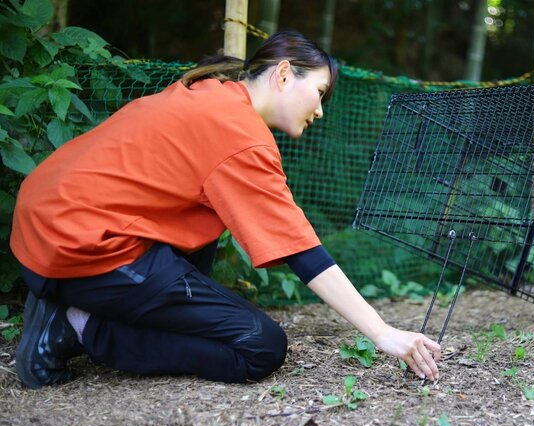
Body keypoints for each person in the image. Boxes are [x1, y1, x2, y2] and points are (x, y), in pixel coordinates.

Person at [11, 30, 441, 389]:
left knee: (202, 225)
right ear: (285, 74)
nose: (321, 110)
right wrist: (383, 333)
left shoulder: (211, 94)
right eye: (320, 92)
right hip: (81, 248)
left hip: (39, 232)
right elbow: (301, 249)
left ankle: (72, 305)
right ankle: (78, 327)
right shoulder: (238, 135)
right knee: (259, 347)